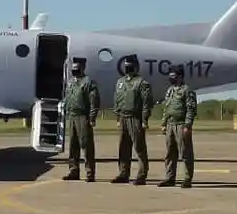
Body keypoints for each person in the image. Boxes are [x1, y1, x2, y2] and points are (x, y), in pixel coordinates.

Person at [110, 54, 154, 185]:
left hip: (135, 118)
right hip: (123, 117)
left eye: (130, 65)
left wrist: (144, 120)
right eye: (126, 66)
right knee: (123, 147)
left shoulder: (142, 83)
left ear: (136, 67)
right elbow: (117, 100)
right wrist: (117, 116)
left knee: (139, 147)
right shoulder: (120, 82)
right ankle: (123, 173)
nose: (127, 68)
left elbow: (147, 103)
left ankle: (141, 175)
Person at [61, 58, 100, 182]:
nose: (74, 70)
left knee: (86, 145)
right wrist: (65, 112)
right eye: (73, 68)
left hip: (83, 117)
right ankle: (74, 170)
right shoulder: (71, 82)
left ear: (83, 68)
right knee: (73, 145)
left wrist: (92, 118)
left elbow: (94, 102)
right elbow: (67, 98)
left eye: (77, 68)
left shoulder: (88, 82)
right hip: (72, 116)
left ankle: (90, 173)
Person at [158, 64, 197, 188]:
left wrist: (187, 125)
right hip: (170, 124)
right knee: (170, 153)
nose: (171, 79)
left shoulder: (187, 90)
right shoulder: (170, 90)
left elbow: (191, 109)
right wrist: (164, 123)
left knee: (185, 153)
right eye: (170, 76)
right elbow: (167, 108)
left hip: (181, 125)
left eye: (174, 76)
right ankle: (170, 178)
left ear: (180, 76)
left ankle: (187, 178)